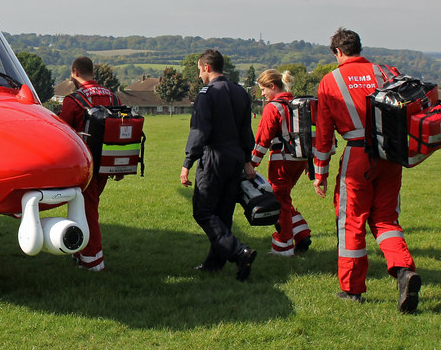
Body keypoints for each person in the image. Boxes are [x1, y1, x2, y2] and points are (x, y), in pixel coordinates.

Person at [312, 28, 422, 312]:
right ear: (359, 47)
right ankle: (403, 271)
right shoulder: (386, 71)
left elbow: (324, 134)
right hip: (391, 154)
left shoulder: (330, 81)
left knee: (352, 221)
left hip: (358, 154)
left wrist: (320, 172)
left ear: (337, 52)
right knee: (386, 219)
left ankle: (352, 289)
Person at [180, 49, 258, 281]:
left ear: (206, 67)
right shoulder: (241, 92)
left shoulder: (207, 94)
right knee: (224, 213)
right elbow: (246, 131)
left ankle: (239, 251)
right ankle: (215, 264)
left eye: (199, 70)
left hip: (214, 156)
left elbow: (199, 131)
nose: (199, 74)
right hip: (235, 158)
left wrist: (187, 162)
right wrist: (246, 160)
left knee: (202, 210)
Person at [59, 56, 119, 272]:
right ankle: (80, 250)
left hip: (85, 165)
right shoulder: (112, 96)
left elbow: (62, 131)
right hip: (108, 162)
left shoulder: (73, 100)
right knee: (87, 207)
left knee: (88, 210)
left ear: (75, 71)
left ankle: (94, 259)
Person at [250, 69, 312, 257]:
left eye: (263, 89)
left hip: (281, 160)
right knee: (284, 197)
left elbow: (263, 138)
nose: (262, 94)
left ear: (272, 86)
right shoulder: (295, 103)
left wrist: (252, 163)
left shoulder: (273, 107)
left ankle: (283, 246)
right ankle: (301, 233)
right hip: (300, 159)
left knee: (280, 202)